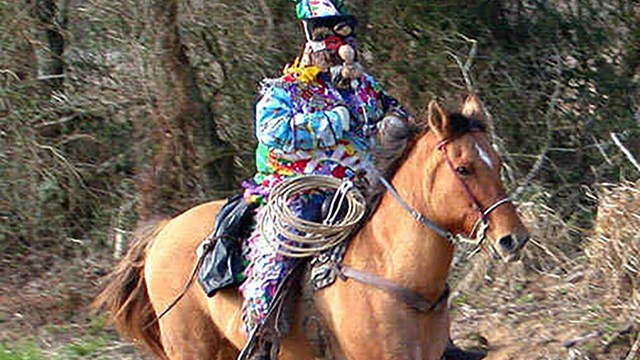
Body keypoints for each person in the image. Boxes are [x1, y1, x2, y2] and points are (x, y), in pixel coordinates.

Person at [237, 0, 411, 353]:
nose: (335, 44)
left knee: (411, 238)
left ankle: (434, 331)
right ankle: (262, 327)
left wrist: (397, 122)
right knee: (279, 248)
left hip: (361, 183)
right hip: (302, 186)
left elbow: (393, 110)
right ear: (309, 39)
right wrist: (333, 121)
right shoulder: (285, 89)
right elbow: (271, 131)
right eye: (325, 35)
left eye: (341, 33)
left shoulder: (363, 86)